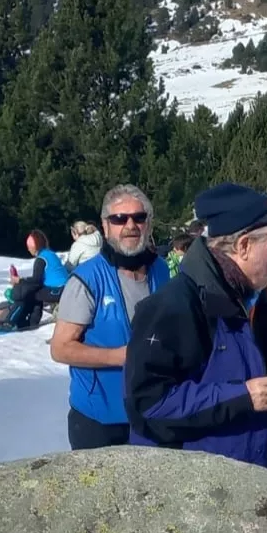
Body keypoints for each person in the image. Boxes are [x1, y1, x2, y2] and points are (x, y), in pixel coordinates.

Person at [126, 183, 267, 470]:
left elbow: (251, 394)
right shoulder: (174, 306)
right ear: (244, 246)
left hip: (253, 481)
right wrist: (243, 397)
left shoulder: (254, 302)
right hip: (197, 487)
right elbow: (149, 406)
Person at [51, 185, 171, 451]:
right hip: (99, 420)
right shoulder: (87, 278)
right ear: (105, 227)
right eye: (119, 219)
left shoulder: (161, 270)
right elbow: (60, 348)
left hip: (152, 411)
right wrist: (121, 356)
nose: (130, 226)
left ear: (149, 223)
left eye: (139, 217)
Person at [0, 229, 69, 331]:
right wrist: (22, 281)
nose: (28, 249)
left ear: (34, 246)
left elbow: (36, 281)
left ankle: (11, 323)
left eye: (29, 247)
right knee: (34, 294)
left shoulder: (41, 259)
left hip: (56, 290)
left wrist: (19, 281)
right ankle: (31, 322)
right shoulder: (49, 254)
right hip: (63, 289)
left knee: (27, 293)